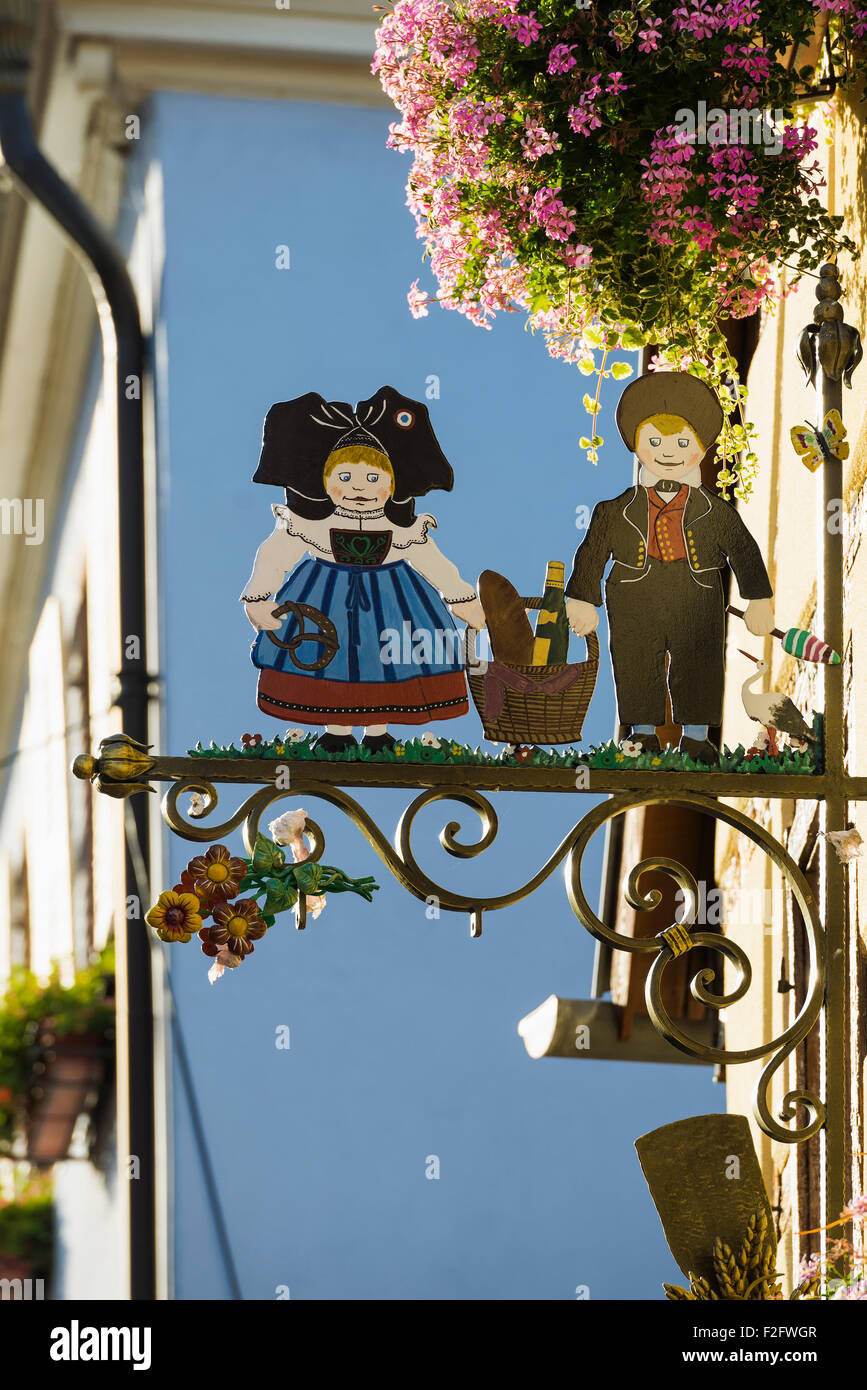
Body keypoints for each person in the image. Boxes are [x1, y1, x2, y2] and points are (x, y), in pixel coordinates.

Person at [240, 386, 484, 752]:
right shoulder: (311, 524)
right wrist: (258, 597)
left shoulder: (400, 528)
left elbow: (432, 560)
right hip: (325, 597)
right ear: (325, 482)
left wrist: (461, 597)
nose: (358, 487)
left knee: (384, 659)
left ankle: (377, 732)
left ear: (390, 484)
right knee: (331, 660)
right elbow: (277, 552)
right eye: (345, 477)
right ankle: (336, 732)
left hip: (393, 599)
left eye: (372, 478)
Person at [564, 371, 774, 764]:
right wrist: (581, 598)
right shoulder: (613, 511)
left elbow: (743, 550)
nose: (668, 451)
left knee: (699, 659)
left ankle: (696, 738)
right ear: (638, 448)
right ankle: (642, 734)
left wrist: (758, 598)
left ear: (699, 450)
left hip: (697, 592)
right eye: (655, 442)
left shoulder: (716, 512)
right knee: (635, 658)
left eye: (682, 442)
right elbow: (591, 553)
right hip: (633, 594)